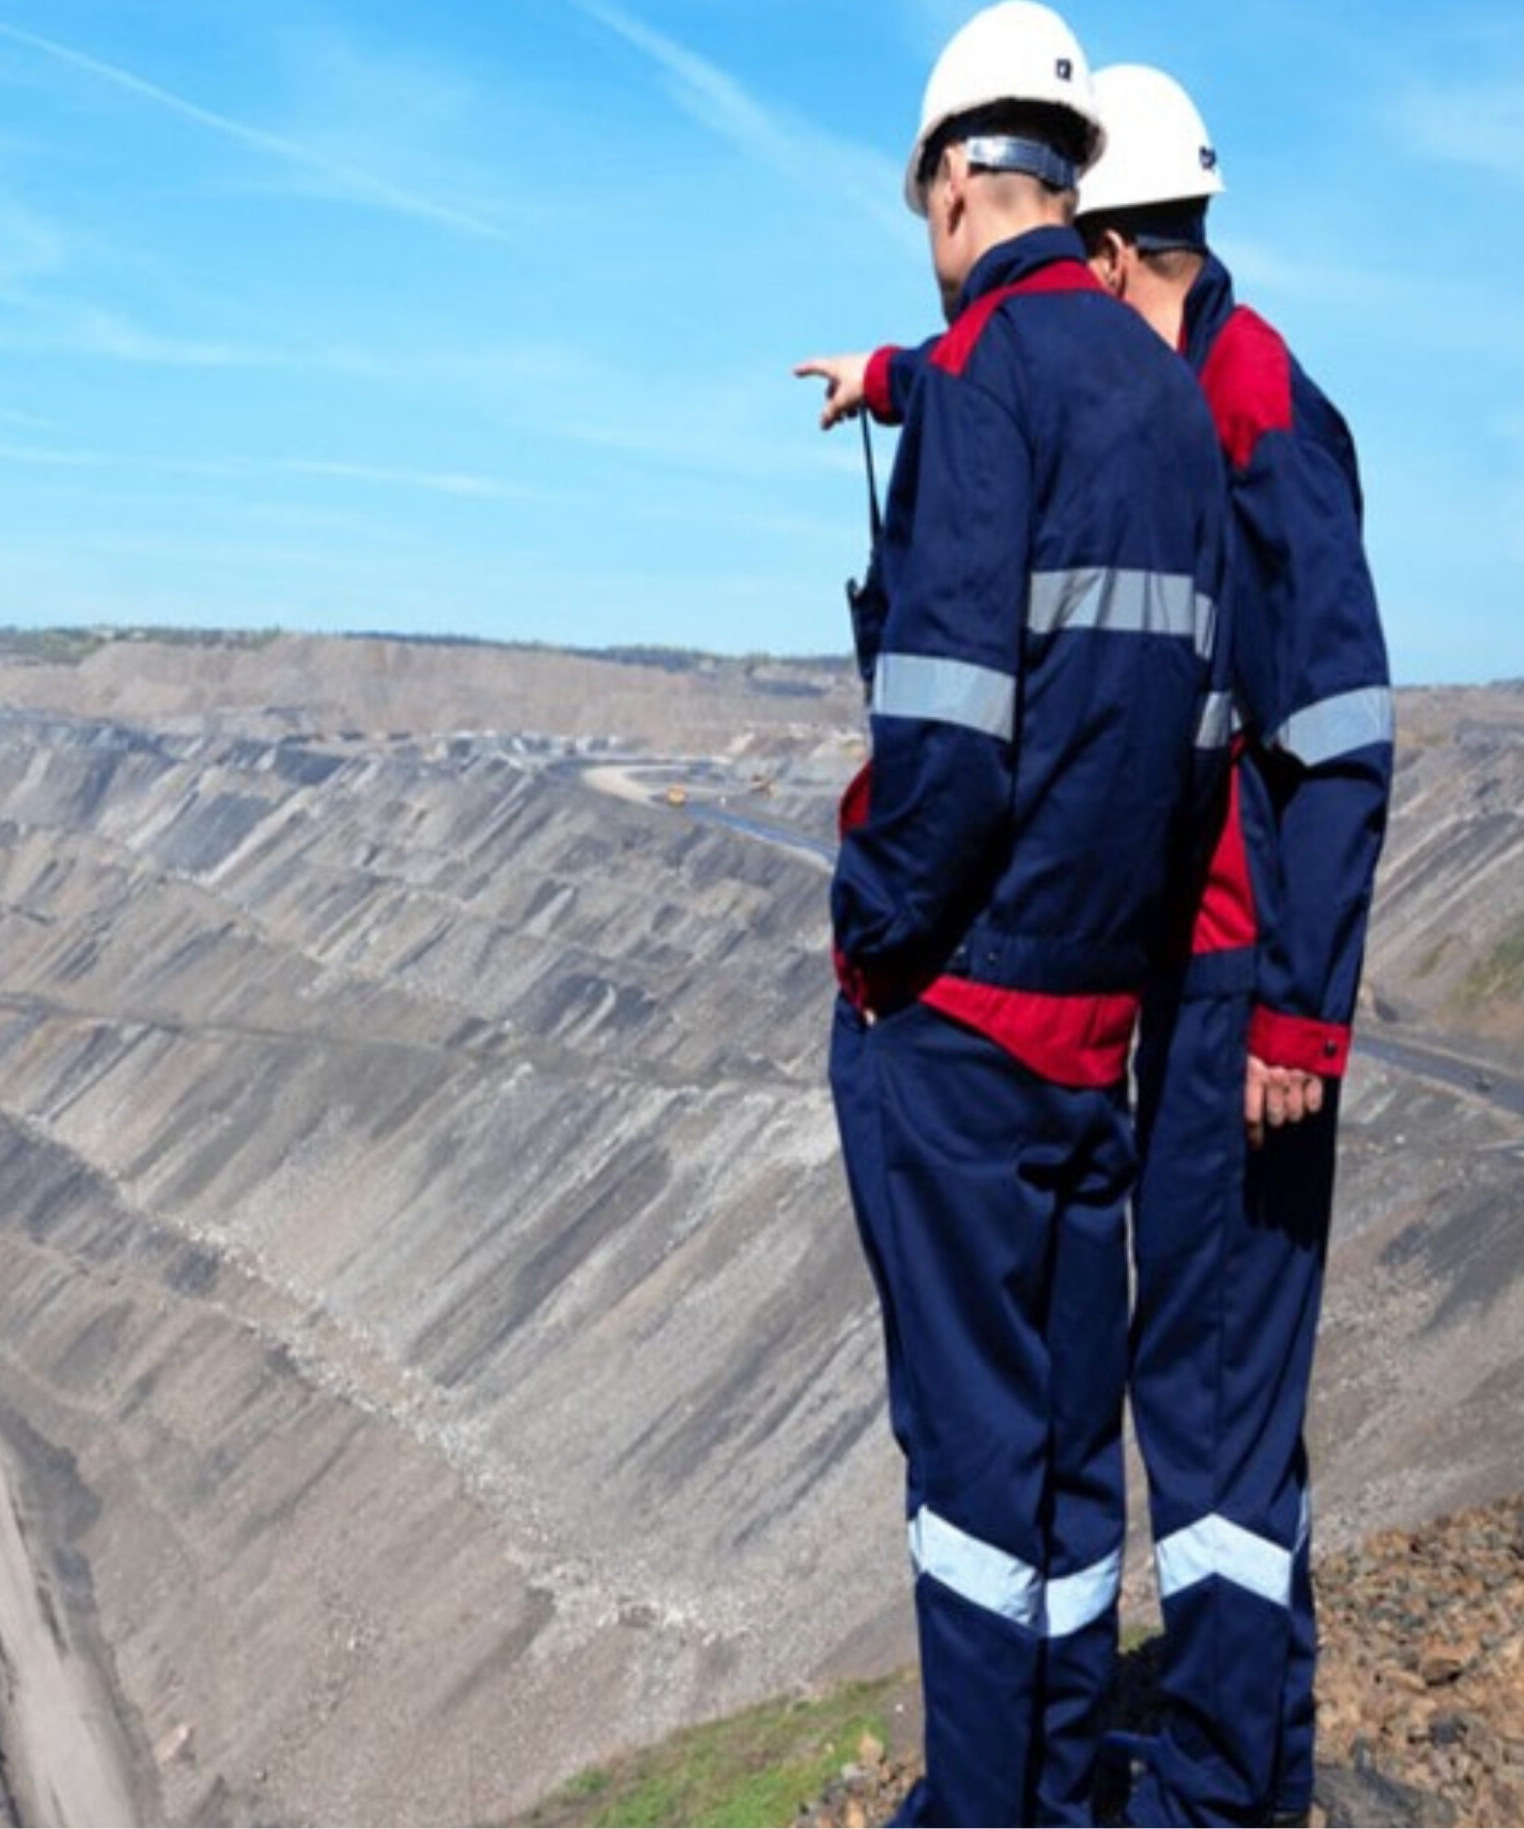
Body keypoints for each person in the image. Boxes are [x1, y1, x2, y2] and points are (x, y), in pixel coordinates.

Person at [800, 63, 1395, 1825]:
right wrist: (892, 376)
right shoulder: (1163, 384)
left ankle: (1212, 1791)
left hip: (1195, 1001)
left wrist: (1299, 1013)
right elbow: (1035, 399)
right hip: (1124, 1005)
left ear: (1109, 238)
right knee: (1107, 1427)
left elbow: (1336, 729)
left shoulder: (1246, 399)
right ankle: (1134, 1780)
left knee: (1178, 1426)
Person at [818, 7, 1229, 1823]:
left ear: (958, 180)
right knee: (1068, 1473)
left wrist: (875, 934)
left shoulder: (991, 383)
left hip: (968, 1028)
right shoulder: (1161, 386)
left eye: (923, 197)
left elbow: (950, 741)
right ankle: (1059, 1799)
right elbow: (1184, 732)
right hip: (1099, 1031)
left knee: (974, 1489)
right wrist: (895, 376)